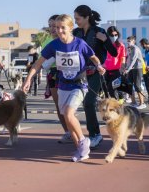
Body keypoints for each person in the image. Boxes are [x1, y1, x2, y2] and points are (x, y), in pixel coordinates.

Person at [23, 14, 105, 162]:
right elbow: (38, 63)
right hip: (63, 86)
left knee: (68, 113)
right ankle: (81, 150)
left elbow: (93, 57)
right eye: (56, 27)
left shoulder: (79, 44)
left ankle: (83, 141)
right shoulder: (54, 45)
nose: (59, 30)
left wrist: (98, 65)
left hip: (79, 85)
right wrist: (28, 80)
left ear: (70, 28)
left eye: (62, 28)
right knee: (68, 120)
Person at [73, 5, 117, 149]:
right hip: (79, 74)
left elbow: (114, 53)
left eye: (78, 18)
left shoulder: (99, 31)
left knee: (89, 102)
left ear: (87, 17)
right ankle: (73, 133)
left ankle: (95, 135)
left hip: (97, 73)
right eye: (74, 19)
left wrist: (105, 40)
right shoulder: (75, 32)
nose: (76, 21)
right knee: (72, 106)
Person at [41, 14, 71, 143]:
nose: (53, 29)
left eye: (55, 26)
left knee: (68, 106)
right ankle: (67, 132)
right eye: (50, 26)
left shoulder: (66, 40)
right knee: (59, 105)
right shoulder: (46, 41)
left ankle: (74, 130)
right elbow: (42, 60)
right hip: (52, 73)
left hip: (66, 73)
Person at [103, 26, 126, 101]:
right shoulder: (104, 44)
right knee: (107, 88)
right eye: (112, 35)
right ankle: (120, 99)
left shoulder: (120, 45)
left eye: (116, 35)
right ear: (108, 35)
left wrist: (122, 67)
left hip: (117, 70)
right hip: (106, 71)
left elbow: (123, 57)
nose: (114, 37)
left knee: (111, 87)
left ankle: (116, 103)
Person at [125, 36, 146, 109]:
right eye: (127, 41)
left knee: (137, 86)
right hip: (131, 69)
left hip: (137, 68)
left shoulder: (135, 49)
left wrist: (128, 69)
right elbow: (128, 59)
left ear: (133, 41)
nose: (128, 42)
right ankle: (133, 102)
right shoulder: (130, 49)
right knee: (129, 85)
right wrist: (127, 68)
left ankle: (142, 103)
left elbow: (133, 60)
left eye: (129, 41)